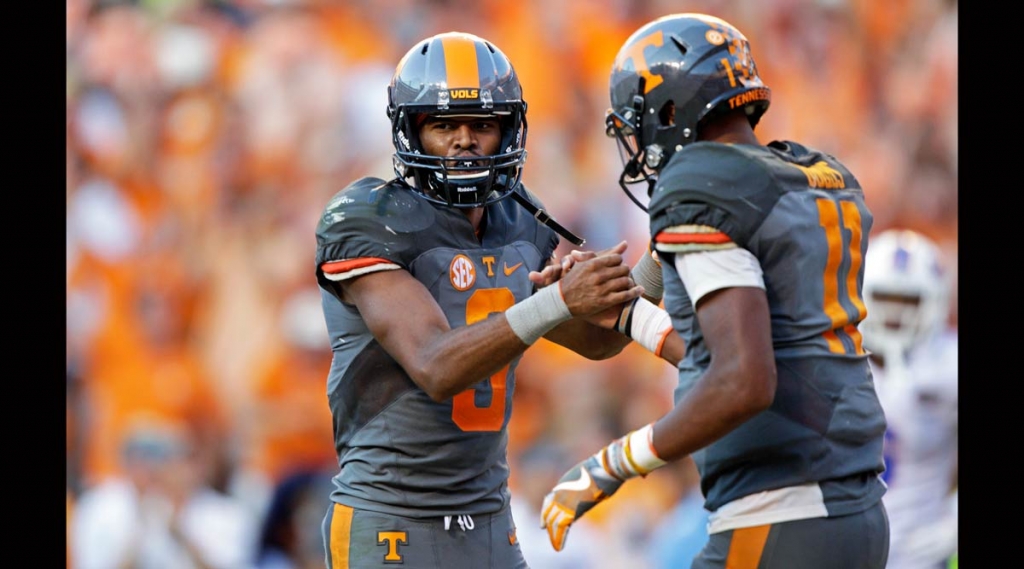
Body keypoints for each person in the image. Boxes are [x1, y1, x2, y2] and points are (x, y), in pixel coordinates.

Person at [313, 31, 683, 569]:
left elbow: (595, 343)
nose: (465, 140)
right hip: (391, 518)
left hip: (489, 519)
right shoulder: (370, 218)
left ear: (507, 130)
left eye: (482, 125)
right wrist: (560, 301)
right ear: (410, 130)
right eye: (444, 125)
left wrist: (660, 254)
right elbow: (436, 365)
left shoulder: (518, 217)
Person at [540, 13, 890, 569]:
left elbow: (745, 380)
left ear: (672, 110)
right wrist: (628, 315)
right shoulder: (816, 174)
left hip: (777, 513)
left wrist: (613, 463)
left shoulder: (702, 182)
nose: (638, 144)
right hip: (853, 514)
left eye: (640, 120)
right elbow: (733, 353)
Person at [861, 228, 958, 569]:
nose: (895, 315)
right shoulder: (834, 362)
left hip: (924, 551)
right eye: (885, 299)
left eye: (908, 302)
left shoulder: (949, 366)